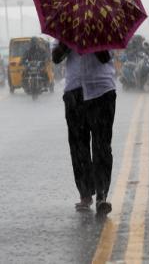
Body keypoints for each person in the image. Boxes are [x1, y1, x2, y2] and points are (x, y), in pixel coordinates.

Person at [52, 40, 116, 215]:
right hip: (74, 93)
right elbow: (56, 58)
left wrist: (92, 41)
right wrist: (67, 42)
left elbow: (105, 58)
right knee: (78, 147)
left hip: (102, 92)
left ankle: (102, 196)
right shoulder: (66, 28)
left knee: (101, 145)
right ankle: (85, 194)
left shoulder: (103, 28)